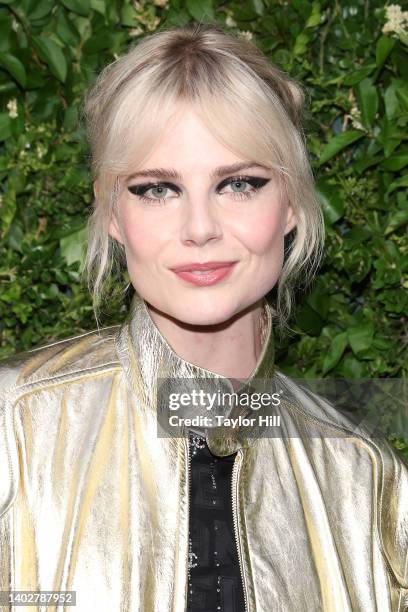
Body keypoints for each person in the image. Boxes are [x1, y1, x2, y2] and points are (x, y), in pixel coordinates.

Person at [0, 22, 407, 612]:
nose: (199, 229)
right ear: (112, 212)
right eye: (156, 189)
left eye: (239, 184)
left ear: (290, 203)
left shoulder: (366, 479)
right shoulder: (14, 426)